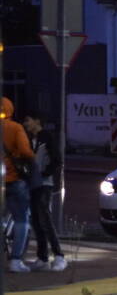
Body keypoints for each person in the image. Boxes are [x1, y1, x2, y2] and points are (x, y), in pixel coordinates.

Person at [24, 115, 66, 271]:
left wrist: (45, 173)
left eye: (28, 120)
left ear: (37, 121)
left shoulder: (46, 137)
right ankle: (42, 258)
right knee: (36, 219)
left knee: (45, 219)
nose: (26, 123)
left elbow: (56, 159)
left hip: (44, 184)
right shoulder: (31, 139)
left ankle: (59, 256)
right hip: (34, 184)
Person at [2, 97, 35, 273]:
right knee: (22, 219)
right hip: (13, 179)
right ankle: (15, 260)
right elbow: (24, 151)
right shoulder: (15, 128)